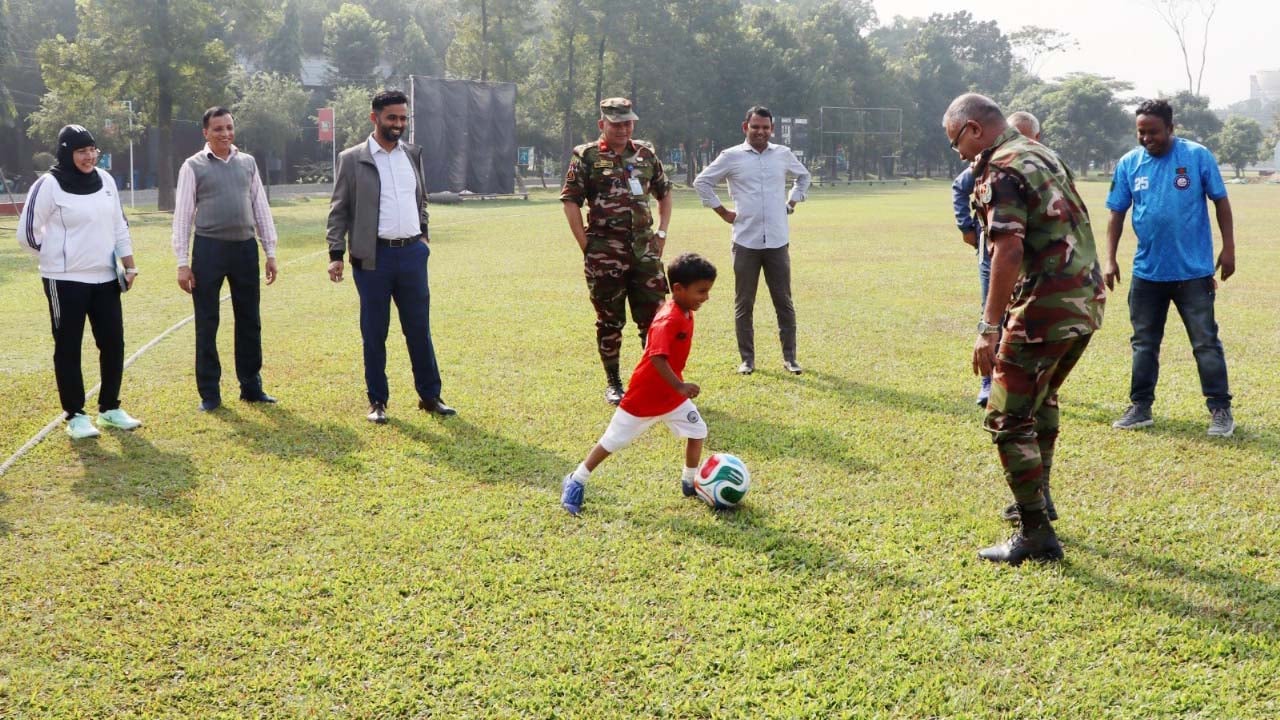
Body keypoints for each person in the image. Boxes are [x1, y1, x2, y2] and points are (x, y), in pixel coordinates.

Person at [944, 93, 1105, 565]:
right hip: (1084, 301)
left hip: (1044, 309)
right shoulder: (1040, 152)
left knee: (1007, 416)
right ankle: (1038, 501)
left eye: (954, 139)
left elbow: (1007, 250)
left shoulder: (1001, 168)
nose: (956, 150)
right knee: (1041, 399)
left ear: (974, 128)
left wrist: (988, 326)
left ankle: (1036, 534)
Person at [1104, 99, 1236, 437]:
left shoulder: (1196, 156)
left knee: (1205, 342)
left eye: (1153, 132)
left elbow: (1221, 201)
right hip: (1147, 273)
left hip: (1193, 272)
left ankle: (1220, 410)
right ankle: (1140, 407)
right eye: (1141, 132)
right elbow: (1116, 213)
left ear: (1170, 128)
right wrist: (1110, 258)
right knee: (1144, 343)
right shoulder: (1129, 164)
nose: (1147, 138)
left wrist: (1229, 248)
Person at [326, 89, 455, 423]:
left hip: (412, 254)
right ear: (375, 118)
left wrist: (423, 236)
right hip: (373, 259)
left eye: (403, 118)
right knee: (374, 331)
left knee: (418, 329)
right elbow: (339, 209)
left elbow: (421, 199)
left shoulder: (411, 154)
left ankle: (430, 396)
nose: (398, 124)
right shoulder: (352, 159)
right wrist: (336, 252)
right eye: (392, 118)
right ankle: (377, 401)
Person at [560, 253, 716, 516]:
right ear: (678, 289)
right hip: (643, 399)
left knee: (698, 430)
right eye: (701, 291)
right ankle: (576, 479)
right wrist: (680, 386)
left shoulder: (687, 311)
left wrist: (676, 391)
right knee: (612, 442)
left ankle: (690, 482)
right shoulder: (668, 319)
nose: (706, 297)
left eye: (708, 291)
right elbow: (656, 356)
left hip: (671, 399)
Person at [17, 125, 143, 439]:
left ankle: (110, 409)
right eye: (80, 151)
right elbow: (27, 234)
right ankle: (75, 415)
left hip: (105, 278)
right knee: (69, 346)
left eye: (92, 150)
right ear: (66, 153)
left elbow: (119, 227)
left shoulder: (107, 181)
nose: (88, 157)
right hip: (65, 281)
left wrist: (129, 265)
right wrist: (58, 258)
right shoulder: (48, 185)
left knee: (113, 343)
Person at [561, 97, 673, 405]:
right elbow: (571, 200)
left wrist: (662, 232)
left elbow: (664, 194)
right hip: (604, 252)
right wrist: (586, 244)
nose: (623, 129)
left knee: (654, 319)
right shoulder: (587, 156)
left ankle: (655, 380)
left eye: (628, 123)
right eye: (616, 124)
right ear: (602, 125)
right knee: (610, 320)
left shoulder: (646, 154)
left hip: (645, 252)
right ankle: (614, 382)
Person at [173, 107, 280, 412]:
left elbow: (260, 207)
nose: (225, 134)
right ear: (205, 133)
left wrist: (269, 252)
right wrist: (183, 262)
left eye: (229, 127)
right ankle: (210, 393)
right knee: (207, 322)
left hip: (245, 249)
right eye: (218, 129)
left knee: (249, 320)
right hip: (208, 251)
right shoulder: (193, 166)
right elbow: (182, 217)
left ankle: (251, 386)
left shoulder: (247, 163)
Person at [693, 105, 811, 375]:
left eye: (766, 127)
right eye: (755, 127)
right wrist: (722, 211)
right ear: (745, 127)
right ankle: (747, 359)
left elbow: (804, 176)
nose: (761, 132)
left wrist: (793, 201)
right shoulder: (731, 157)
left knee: (784, 301)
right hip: (746, 241)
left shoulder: (783, 155)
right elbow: (702, 182)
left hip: (778, 242)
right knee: (744, 303)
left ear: (772, 129)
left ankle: (790, 358)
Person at [951, 111, 1042, 406]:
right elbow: (959, 187)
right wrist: (966, 226)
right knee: (992, 308)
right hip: (994, 254)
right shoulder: (988, 166)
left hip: (1031, 265)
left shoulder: (1033, 164)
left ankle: (1023, 383)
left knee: (1024, 319)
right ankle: (989, 382)